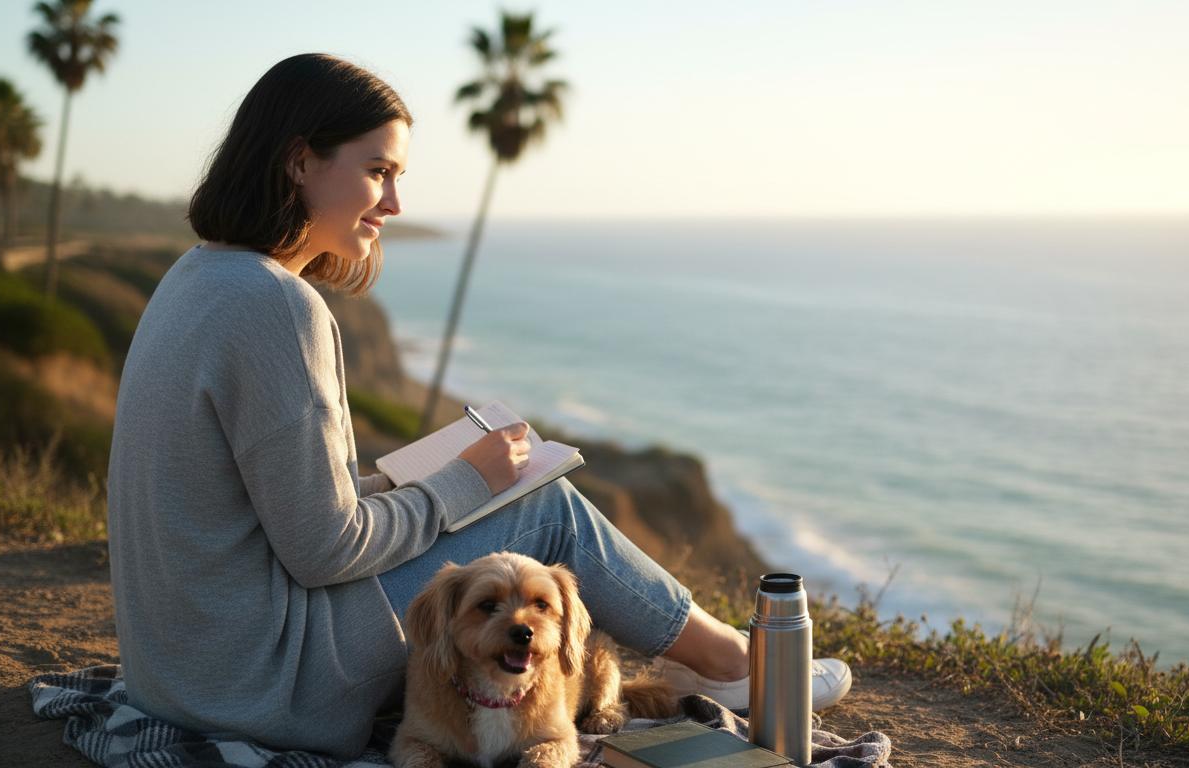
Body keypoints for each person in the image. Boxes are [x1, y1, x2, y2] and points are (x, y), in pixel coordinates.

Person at [107, 53, 851, 760]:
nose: (394, 203)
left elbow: (264, 509)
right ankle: (736, 667)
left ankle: (725, 661)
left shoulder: (195, 278)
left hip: (181, 673)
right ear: (300, 161)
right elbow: (322, 550)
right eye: (378, 173)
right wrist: (467, 484)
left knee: (493, 490)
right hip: (264, 686)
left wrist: (403, 484)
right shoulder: (278, 306)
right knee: (542, 507)